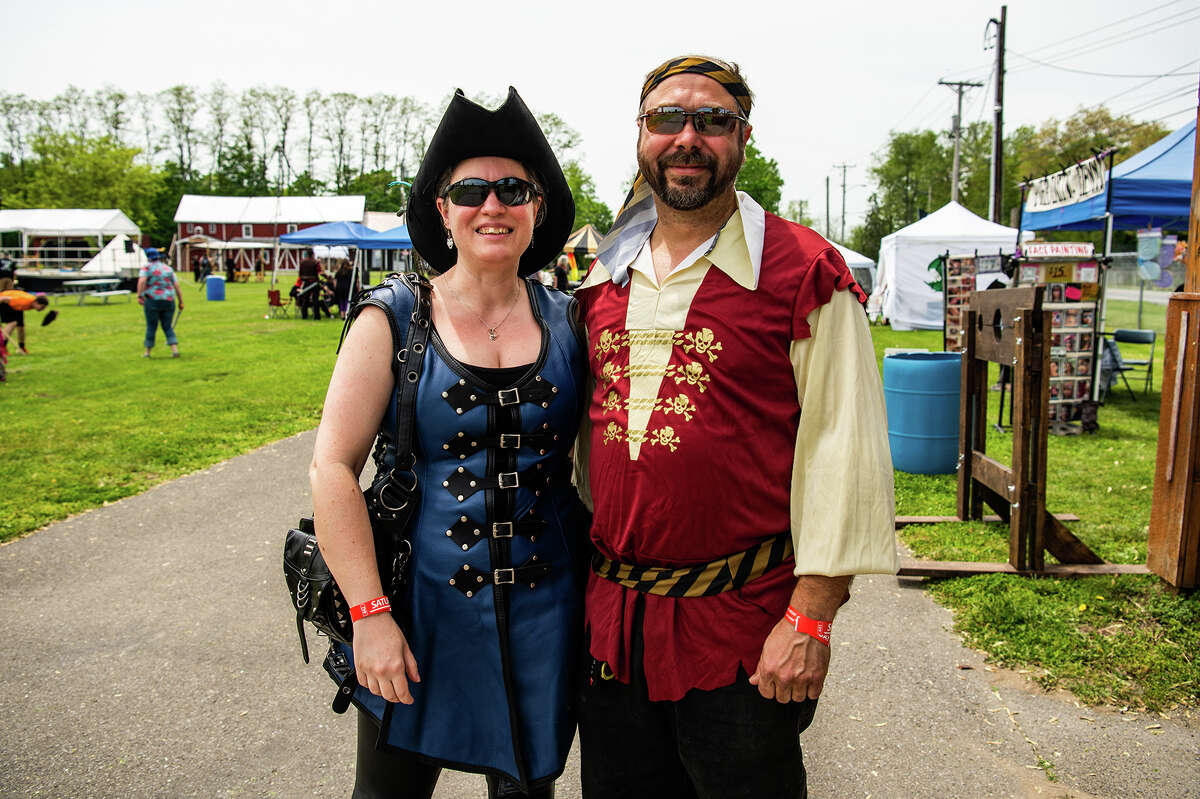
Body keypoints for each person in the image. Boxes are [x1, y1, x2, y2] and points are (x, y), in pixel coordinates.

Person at [571, 55, 898, 798]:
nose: (687, 137)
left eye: (711, 120)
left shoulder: (805, 270)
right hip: (615, 631)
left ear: (743, 138)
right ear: (640, 137)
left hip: (746, 630)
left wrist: (811, 618)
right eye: (667, 119)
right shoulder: (602, 274)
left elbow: (844, 450)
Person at [309, 87, 585, 799]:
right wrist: (369, 616)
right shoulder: (395, 318)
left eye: (512, 189)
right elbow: (332, 467)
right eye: (470, 189)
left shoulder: (575, 322)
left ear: (537, 207)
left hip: (544, 617)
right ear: (443, 211)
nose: (492, 205)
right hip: (414, 610)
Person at [137, 247, 183, 358]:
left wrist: (140, 295)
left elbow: (142, 281)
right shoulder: (167, 269)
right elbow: (176, 285)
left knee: (151, 326)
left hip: (153, 300)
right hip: (168, 300)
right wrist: (180, 301)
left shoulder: (146, 268)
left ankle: (147, 352)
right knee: (167, 326)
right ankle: (174, 350)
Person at [0, 289, 50, 355]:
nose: (43, 309)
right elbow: (3, 298)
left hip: (16, 307)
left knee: (21, 326)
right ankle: (2, 348)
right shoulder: (23, 301)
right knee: (12, 323)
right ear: (36, 302)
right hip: (4, 302)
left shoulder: (31, 302)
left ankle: (22, 347)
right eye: (42, 307)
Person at [297, 249, 325, 319]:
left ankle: (304, 315)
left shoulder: (302, 262)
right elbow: (320, 272)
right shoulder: (315, 262)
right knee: (315, 300)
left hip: (306, 282)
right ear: (313, 254)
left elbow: (300, 274)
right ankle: (316, 316)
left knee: (305, 299)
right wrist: (327, 277)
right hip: (314, 283)